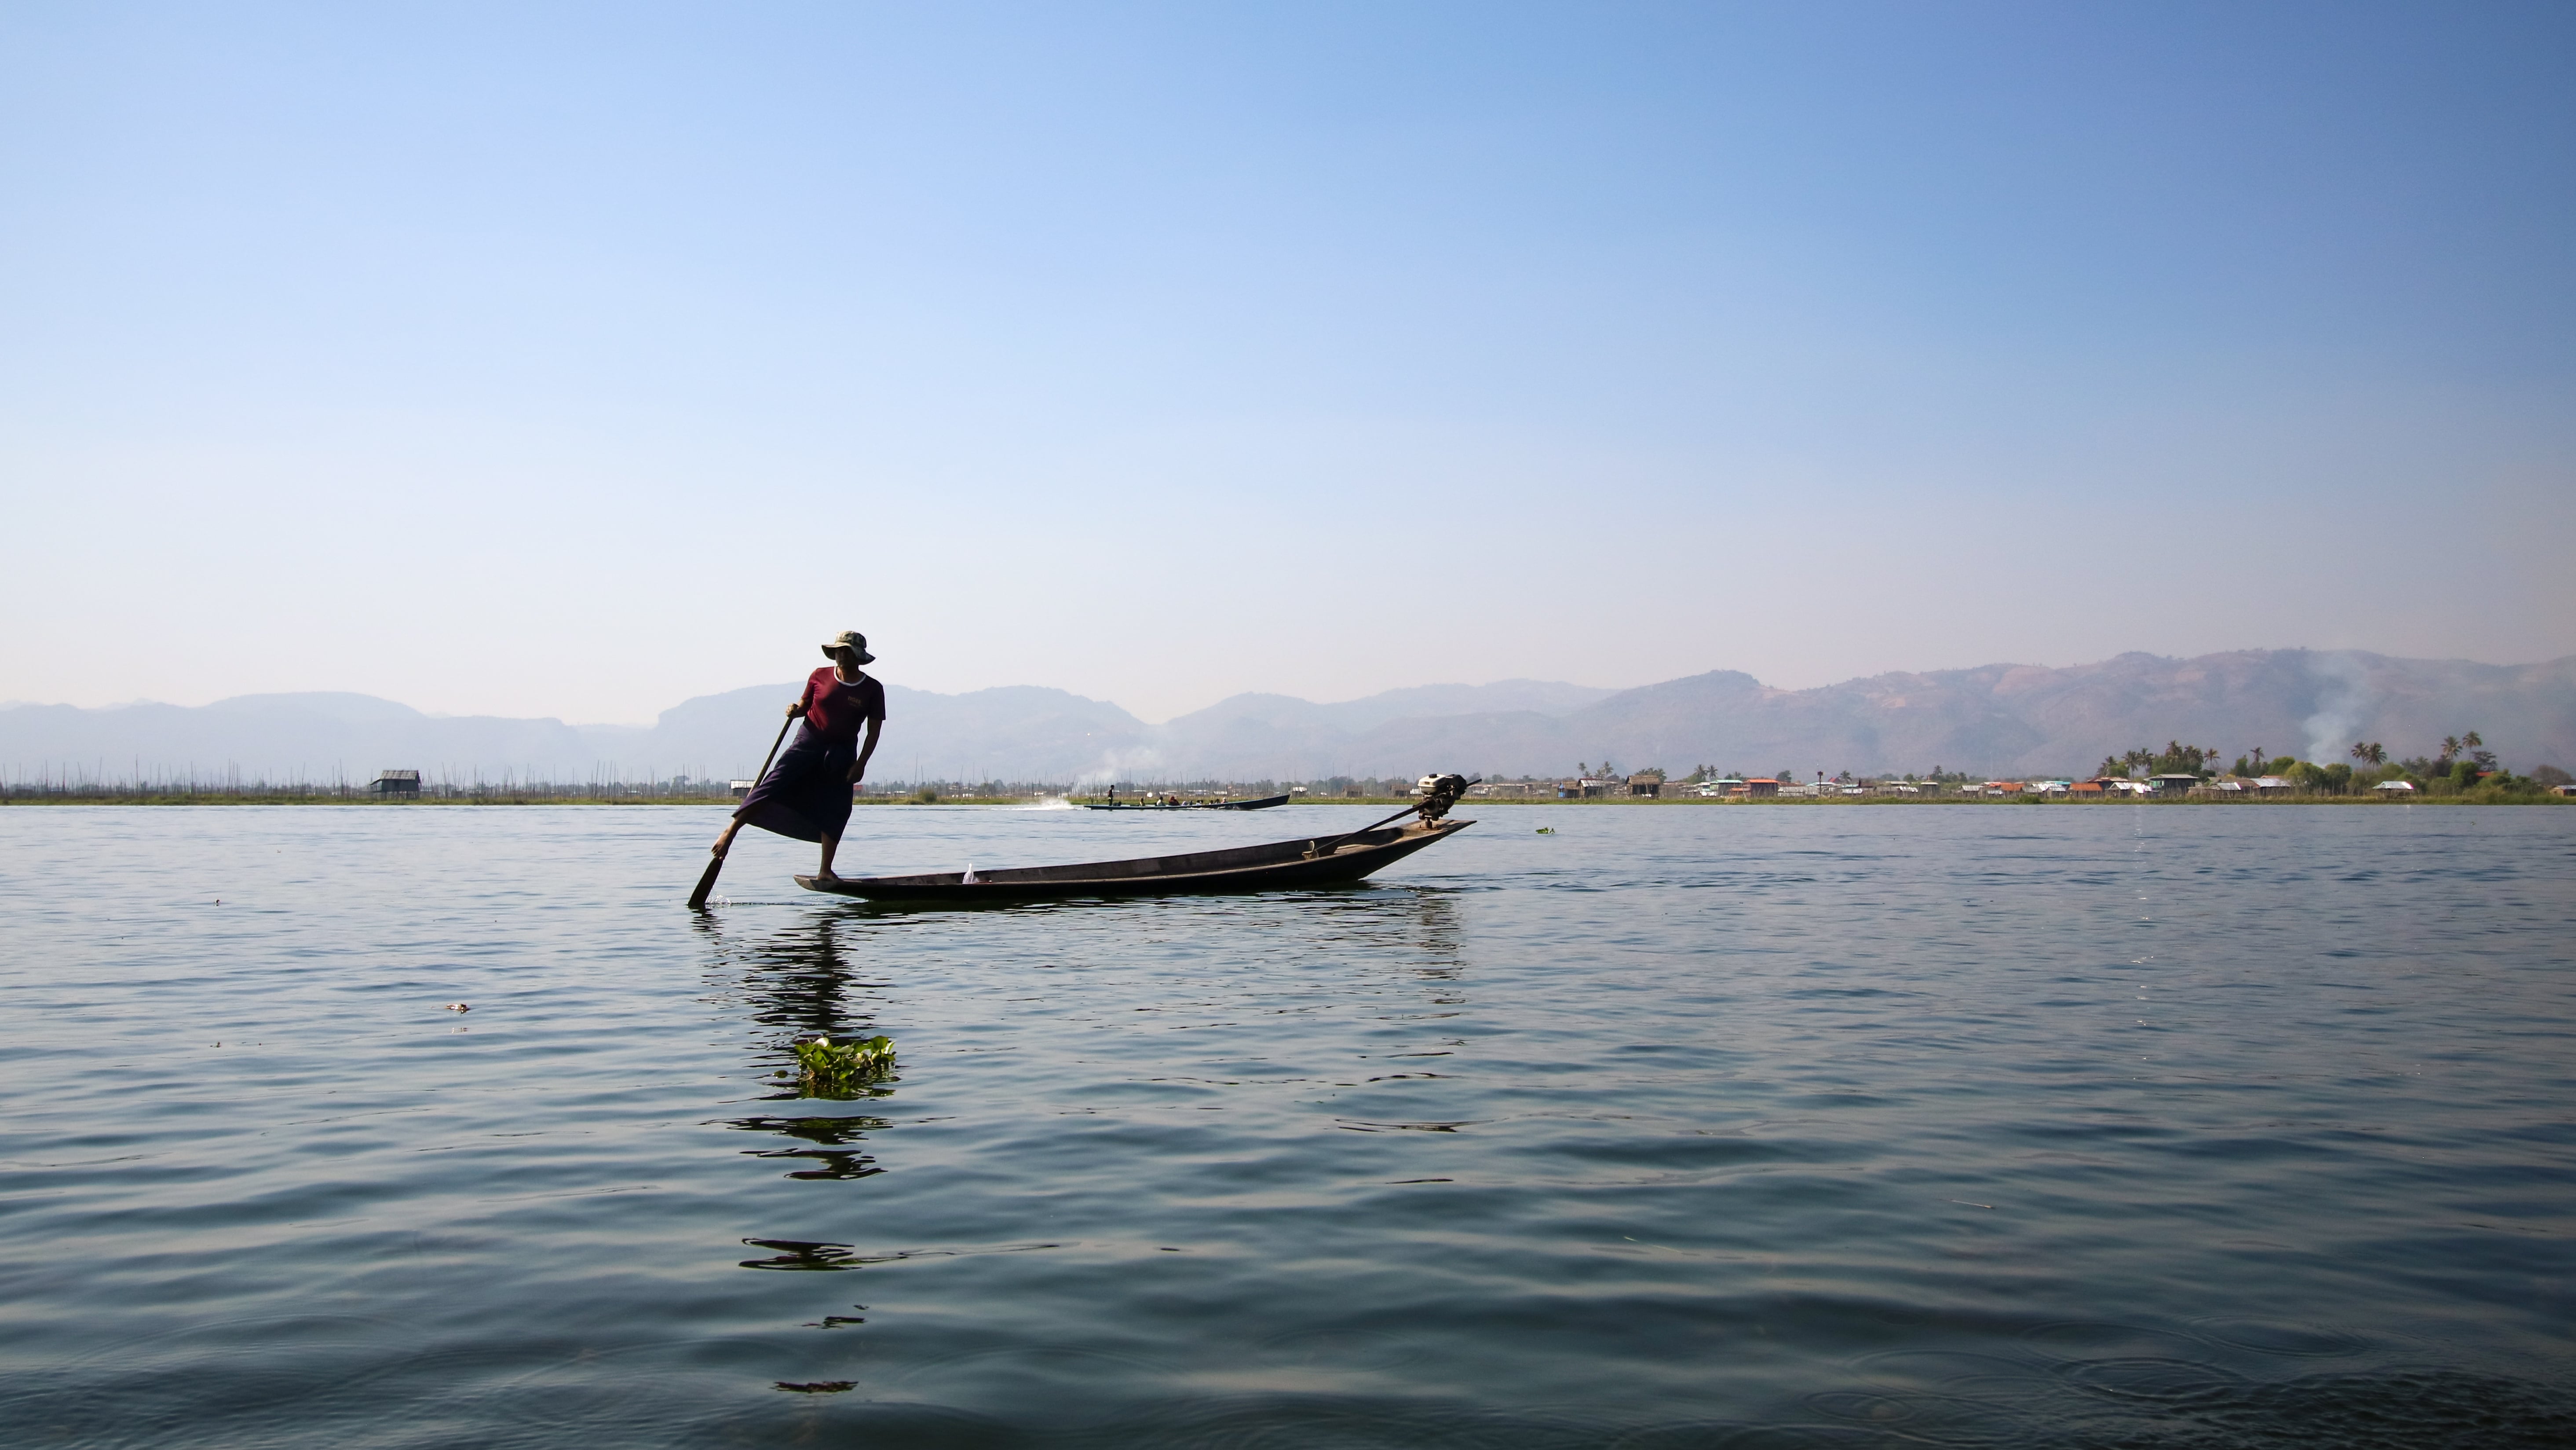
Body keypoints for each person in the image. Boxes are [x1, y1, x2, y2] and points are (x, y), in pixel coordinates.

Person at [709, 631, 885, 883]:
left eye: (846, 651)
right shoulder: (819, 676)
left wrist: (861, 764)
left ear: (858, 655)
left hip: (842, 752)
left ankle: (825, 870)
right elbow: (805, 706)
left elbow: (874, 732)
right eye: (838, 650)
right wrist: (795, 709)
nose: (841, 654)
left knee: (839, 808)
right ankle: (731, 832)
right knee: (772, 785)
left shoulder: (872, 689)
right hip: (808, 742)